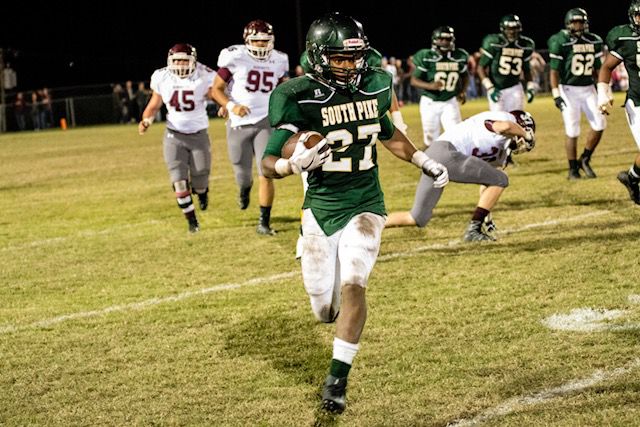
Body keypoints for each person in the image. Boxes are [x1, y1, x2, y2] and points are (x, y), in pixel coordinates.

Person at [261, 12, 449, 413]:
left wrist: (423, 160)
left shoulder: (374, 84)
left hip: (366, 203)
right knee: (323, 307)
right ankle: (319, 276)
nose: (350, 65)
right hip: (320, 208)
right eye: (340, 58)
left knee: (354, 285)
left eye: (355, 56)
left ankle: (337, 379)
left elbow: (387, 132)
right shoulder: (297, 95)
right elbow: (267, 162)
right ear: (318, 57)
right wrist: (291, 165)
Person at [386, 110, 536, 240]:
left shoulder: (501, 147)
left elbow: (488, 183)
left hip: (432, 156)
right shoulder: (505, 120)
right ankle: (473, 231)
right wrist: (526, 135)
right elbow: (506, 126)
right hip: (447, 152)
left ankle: (373, 224)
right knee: (501, 179)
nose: (521, 142)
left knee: (417, 217)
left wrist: (486, 216)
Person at [211, 20, 289, 235]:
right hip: (238, 123)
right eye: (256, 40)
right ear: (247, 40)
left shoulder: (279, 59)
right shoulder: (235, 56)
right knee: (243, 175)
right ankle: (244, 189)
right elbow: (216, 89)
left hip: (266, 120)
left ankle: (264, 222)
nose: (261, 45)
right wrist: (230, 106)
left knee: (267, 172)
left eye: (265, 41)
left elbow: (283, 88)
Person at [138, 43, 216, 232]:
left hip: (198, 135)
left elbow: (216, 95)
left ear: (193, 61)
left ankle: (202, 193)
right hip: (174, 135)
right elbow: (154, 104)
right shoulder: (162, 77)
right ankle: (192, 221)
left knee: (201, 177)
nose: (180, 64)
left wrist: (224, 106)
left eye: (184, 60)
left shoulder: (203, 75)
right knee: (178, 180)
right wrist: (146, 120)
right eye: (177, 60)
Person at [548, 8, 605, 180]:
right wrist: (556, 94)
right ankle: (572, 168)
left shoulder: (594, 40)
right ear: (568, 23)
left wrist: (604, 91)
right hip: (568, 89)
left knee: (600, 124)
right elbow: (554, 71)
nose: (579, 26)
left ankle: (585, 159)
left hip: (588, 88)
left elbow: (598, 69)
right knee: (572, 130)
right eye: (575, 22)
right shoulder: (560, 41)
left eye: (581, 22)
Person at [599, 0, 640, 204]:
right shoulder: (624, 37)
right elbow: (607, 67)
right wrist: (602, 93)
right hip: (638, 103)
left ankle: (631, 177)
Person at [411, 25, 469, 147]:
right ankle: (431, 158)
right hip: (430, 102)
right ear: (435, 40)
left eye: (448, 39)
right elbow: (414, 80)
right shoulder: (426, 56)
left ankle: (455, 158)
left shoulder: (458, 56)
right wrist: (430, 85)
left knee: (456, 136)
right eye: (441, 39)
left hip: (450, 101)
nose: (445, 42)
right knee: (431, 140)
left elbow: (465, 76)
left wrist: (463, 91)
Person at [477, 14, 536, 112]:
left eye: (515, 28)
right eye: (509, 29)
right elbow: (480, 68)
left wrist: (530, 87)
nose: (512, 32)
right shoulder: (494, 42)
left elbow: (526, 69)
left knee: (516, 118)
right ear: (503, 29)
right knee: (499, 119)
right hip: (496, 87)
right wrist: (490, 87)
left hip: (515, 87)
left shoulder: (525, 44)